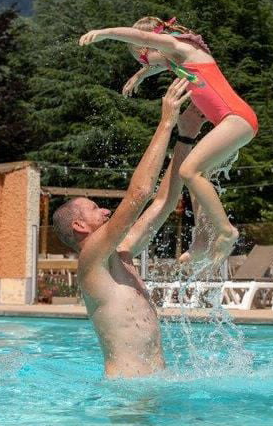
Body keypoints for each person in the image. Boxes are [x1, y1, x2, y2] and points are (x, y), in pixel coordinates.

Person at [51, 78, 202, 378]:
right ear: (80, 226)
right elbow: (139, 194)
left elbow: (163, 202)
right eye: (95, 209)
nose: (105, 210)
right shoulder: (91, 261)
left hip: (157, 383)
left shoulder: (121, 254)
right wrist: (166, 123)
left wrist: (186, 137)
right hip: (127, 393)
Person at [78, 16, 258, 268]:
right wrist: (141, 74)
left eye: (142, 56)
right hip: (232, 122)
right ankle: (204, 237)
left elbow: (144, 38)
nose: (145, 61)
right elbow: (160, 62)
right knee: (199, 176)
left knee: (189, 171)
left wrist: (105, 31)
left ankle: (226, 231)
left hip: (237, 119)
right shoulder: (176, 56)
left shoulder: (180, 46)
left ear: (151, 43)